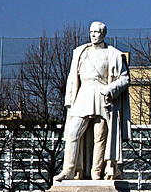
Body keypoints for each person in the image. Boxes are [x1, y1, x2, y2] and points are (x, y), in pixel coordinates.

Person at [54, 21, 131, 181]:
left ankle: (96, 172)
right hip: (83, 94)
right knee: (72, 132)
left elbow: (124, 78)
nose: (93, 35)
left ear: (103, 34)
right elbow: (72, 78)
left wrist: (110, 89)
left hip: (102, 95)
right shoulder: (80, 52)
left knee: (100, 136)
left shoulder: (114, 54)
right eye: (91, 32)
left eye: (96, 32)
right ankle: (69, 169)